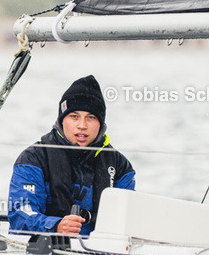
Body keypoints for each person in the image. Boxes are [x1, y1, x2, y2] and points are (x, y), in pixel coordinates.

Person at [8, 75, 135, 237]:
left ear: (101, 124)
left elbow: (127, 220)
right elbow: (20, 216)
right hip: (46, 247)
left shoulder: (120, 166)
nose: (82, 125)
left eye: (91, 117)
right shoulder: (33, 159)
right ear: (62, 120)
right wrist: (56, 226)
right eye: (74, 116)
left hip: (100, 249)